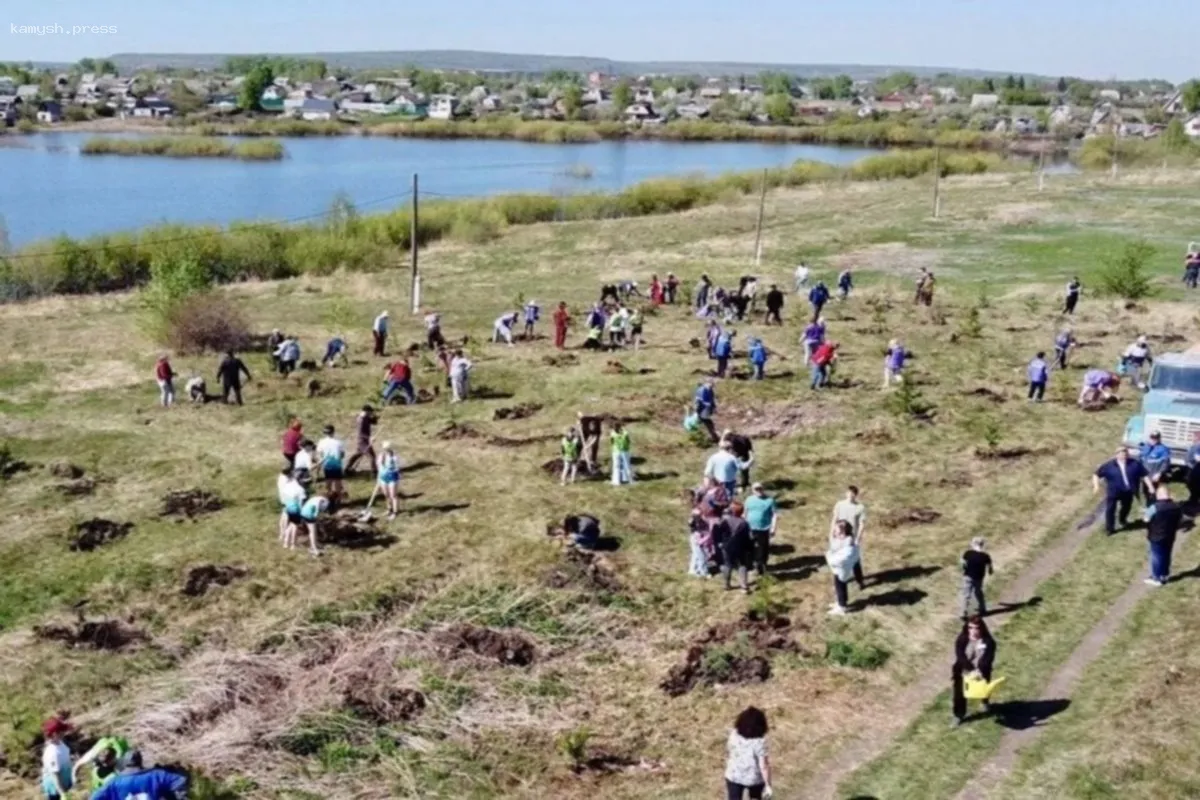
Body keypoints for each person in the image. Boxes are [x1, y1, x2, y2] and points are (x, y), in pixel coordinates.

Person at [1093, 446, 1153, 535]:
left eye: (1125, 453)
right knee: (1110, 509)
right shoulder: (1109, 466)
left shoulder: (1135, 464)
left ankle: (1122, 520)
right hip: (1113, 492)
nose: (1123, 455)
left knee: (1126, 507)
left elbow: (1144, 475)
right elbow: (1096, 474)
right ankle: (1109, 528)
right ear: (1116, 455)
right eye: (1121, 454)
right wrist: (1096, 486)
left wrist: (1150, 486)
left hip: (1128, 491)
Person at [952, 616, 998, 725]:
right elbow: (960, 656)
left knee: (984, 689)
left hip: (982, 671)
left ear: (982, 628)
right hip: (963, 671)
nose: (973, 631)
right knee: (959, 693)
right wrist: (971, 670)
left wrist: (980, 671)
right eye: (970, 628)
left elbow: (987, 658)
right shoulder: (962, 639)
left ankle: (985, 702)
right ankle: (959, 715)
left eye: (976, 628)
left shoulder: (989, 642)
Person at [88, 751, 188, 800]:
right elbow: (180, 780)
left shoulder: (114, 782)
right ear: (140, 761)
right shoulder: (156, 775)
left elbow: (94, 798)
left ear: (125, 763)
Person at [724, 706, 773, 800]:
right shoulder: (759, 742)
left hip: (734, 775)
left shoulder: (733, 735)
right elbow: (764, 766)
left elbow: (729, 750)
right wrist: (768, 785)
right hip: (754, 779)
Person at [1144, 483, 1183, 586]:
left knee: (1156, 556)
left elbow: (1146, 519)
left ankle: (1156, 578)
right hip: (1170, 535)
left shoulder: (1155, 507)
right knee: (1166, 555)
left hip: (1156, 535)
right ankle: (1165, 574)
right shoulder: (1176, 506)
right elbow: (1180, 519)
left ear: (1159, 495)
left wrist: (1146, 512)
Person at [830, 486, 867, 589]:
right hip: (839, 537)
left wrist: (858, 538)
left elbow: (862, 524)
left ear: (856, 495)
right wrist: (832, 533)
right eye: (849, 493)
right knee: (838, 560)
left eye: (853, 493)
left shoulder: (860, 507)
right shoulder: (839, 505)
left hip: (851, 538)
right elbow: (834, 519)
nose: (850, 495)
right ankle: (839, 582)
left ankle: (860, 581)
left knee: (855, 561)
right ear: (846, 493)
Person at [714, 501, 753, 593]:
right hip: (740, 547)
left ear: (732, 511)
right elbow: (748, 537)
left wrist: (719, 543)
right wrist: (749, 548)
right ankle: (743, 586)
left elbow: (719, 532)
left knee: (728, 565)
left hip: (727, 546)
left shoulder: (725, 521)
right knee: (742, 565)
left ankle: (726, 585)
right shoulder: (744, 523)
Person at [826, 519, 860, 615]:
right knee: (840, 585)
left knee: (840, 586)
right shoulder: (844, 541)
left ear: (843, 533)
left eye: (836, 531)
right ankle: (841, 602)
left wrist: (829, 556)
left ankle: (841, 608)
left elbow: (838, 560)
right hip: (839, 570)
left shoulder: (848, 546)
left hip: (842, 570)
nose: (834, 532)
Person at [744, 483, 778, 577]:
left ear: (763, 489)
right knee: (749, 548)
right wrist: (744, 525)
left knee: (762, 549)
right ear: (753, 490)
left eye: (760, 489)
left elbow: (774, 515)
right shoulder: (749, 500)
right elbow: (745, 512)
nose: (759, 491)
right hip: (750, 528)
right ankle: (750, 566)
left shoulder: (769, 500)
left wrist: (773, 528)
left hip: (763, 528)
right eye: (756, 489)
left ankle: (761, 567)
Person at [40, 716, 74, 800]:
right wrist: (63, 794)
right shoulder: (52, 753)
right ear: (55, 734)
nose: (64, 732)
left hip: (65, 783)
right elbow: (55, 776)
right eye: (62, 731)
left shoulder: (60, 743)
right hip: (56, 790)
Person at [960, 537, 994, 619]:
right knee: (978, 592)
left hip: (968, 576)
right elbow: (990, 569)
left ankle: (963, 613)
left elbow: (963, 563)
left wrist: (964, 568)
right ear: (982, 545)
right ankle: (983, 609)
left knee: (966, 595)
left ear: (974, 544)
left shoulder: (968, 553)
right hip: (979, 578)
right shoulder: (986, 556)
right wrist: (990, 571)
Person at [316, 425, 346, 504]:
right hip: (337, 464)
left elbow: (319, 453)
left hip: (327, 464)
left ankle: (328, 499)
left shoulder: (321, 442)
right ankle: (339, 499)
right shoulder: (338, 442)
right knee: (338, 483)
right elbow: (342, 454)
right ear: (333, 432)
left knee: (328, 482)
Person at [346, 405, 378, 475]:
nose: (371, 413)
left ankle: (347, 469)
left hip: (364, 440)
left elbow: (374, 422)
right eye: (370, 412)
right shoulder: (361, 420)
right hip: (362, 441)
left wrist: (374, 416)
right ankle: (374, 473)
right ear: (367, 411)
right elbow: (361, 433)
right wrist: (369, 438)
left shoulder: (366, 417)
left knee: (358, 454)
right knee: (372, 457)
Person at [1140, 431, 1172, 498]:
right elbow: (1141, 460)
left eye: (1155, 438)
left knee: (1154, 493)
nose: (1153, 440)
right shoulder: (1145, 447)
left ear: (1159, 439)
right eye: (1152, 438)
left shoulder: (1163, 449)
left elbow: (1165, 463)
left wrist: (1159, 473)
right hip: (1145, 475)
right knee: (1145, 492)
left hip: (1155, 475)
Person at [376, 442, 402, 520]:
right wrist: (378, 480)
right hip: (383, 478)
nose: (386, 450)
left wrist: (392, 466)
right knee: (386, 495)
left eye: (387, 449)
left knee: (393, 495)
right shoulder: (381, 456)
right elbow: (379, 469)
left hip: (392, 477)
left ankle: (395, 512)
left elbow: (397, 468)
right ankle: (389, 509)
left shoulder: (394, 457)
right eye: (385, 449)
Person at [688, 508, 714, 578]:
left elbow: (706, 531)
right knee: (701, 556)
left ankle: (693, 570)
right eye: (696, 515)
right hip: (696, 540)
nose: (698, 517)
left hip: (701, 539)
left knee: (697, 556)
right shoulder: (693, 521)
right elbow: (691, 525)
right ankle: (703, 572)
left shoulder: (703, 521)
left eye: (699, 515)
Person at [694, 378, 719, 443]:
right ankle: (712, 437)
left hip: (706, 410)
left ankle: (713, 436)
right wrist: (708, 404)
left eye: (713, 384)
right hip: (702, 409)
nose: (712, 386)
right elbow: (700, 400)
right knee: (707, 422)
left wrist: (714, 408)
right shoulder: (702, 390)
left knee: (707, 422)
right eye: (711, 384)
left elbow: (712, 399)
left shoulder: (710, 390)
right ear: (707, 383)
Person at [1186, 431, 1200, 505]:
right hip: (1192, 468)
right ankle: (1192, 500)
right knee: (1191, 485)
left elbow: (1198, 458)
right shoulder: (1194, 445)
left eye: (1193, 436)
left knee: (1194, 485)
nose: (1192, 438)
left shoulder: (1198, 446)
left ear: (1197, 438)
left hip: (1195, 468)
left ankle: (1193, 501)